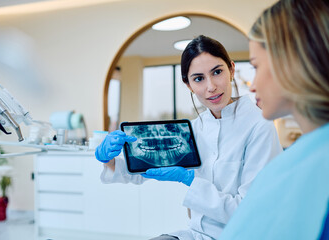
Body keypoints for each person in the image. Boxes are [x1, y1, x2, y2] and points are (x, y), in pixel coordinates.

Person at [95, 35, 283, 240]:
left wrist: (190, 180)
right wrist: (110, 160)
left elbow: (249, 212)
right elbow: (144, 171)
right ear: (188, 85)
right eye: (198, 78)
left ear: (231, 70)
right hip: (197, 235)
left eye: (217, 72)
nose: (210, 86)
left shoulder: (259, 125)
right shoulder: (194, 129)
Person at [219, 0, 329, 239]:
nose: (253, 84)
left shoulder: (308, 166)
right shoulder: (302, 157)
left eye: (256, 66)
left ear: (292, 62)